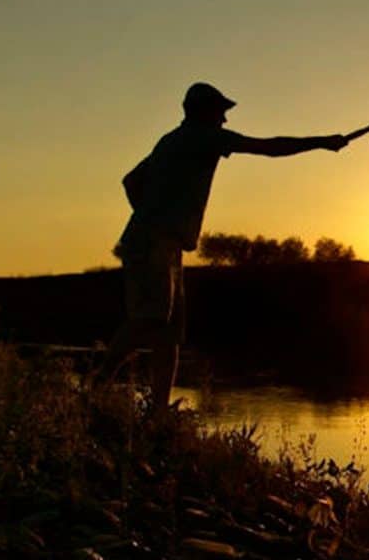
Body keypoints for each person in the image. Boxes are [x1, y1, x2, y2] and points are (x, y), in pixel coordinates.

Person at [93, 82, 348, 418]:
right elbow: (268, 148)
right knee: (147, 319)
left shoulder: (170, 141)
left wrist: (151, 213)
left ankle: (158, 412)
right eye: (221, 112)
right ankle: (97, 387)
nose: (225, 119)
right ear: (204, 112)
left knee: (168, 333)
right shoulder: (205, 137)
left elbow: (131, 182)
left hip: (162, 242)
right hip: (155, 242)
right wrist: (322, 143)